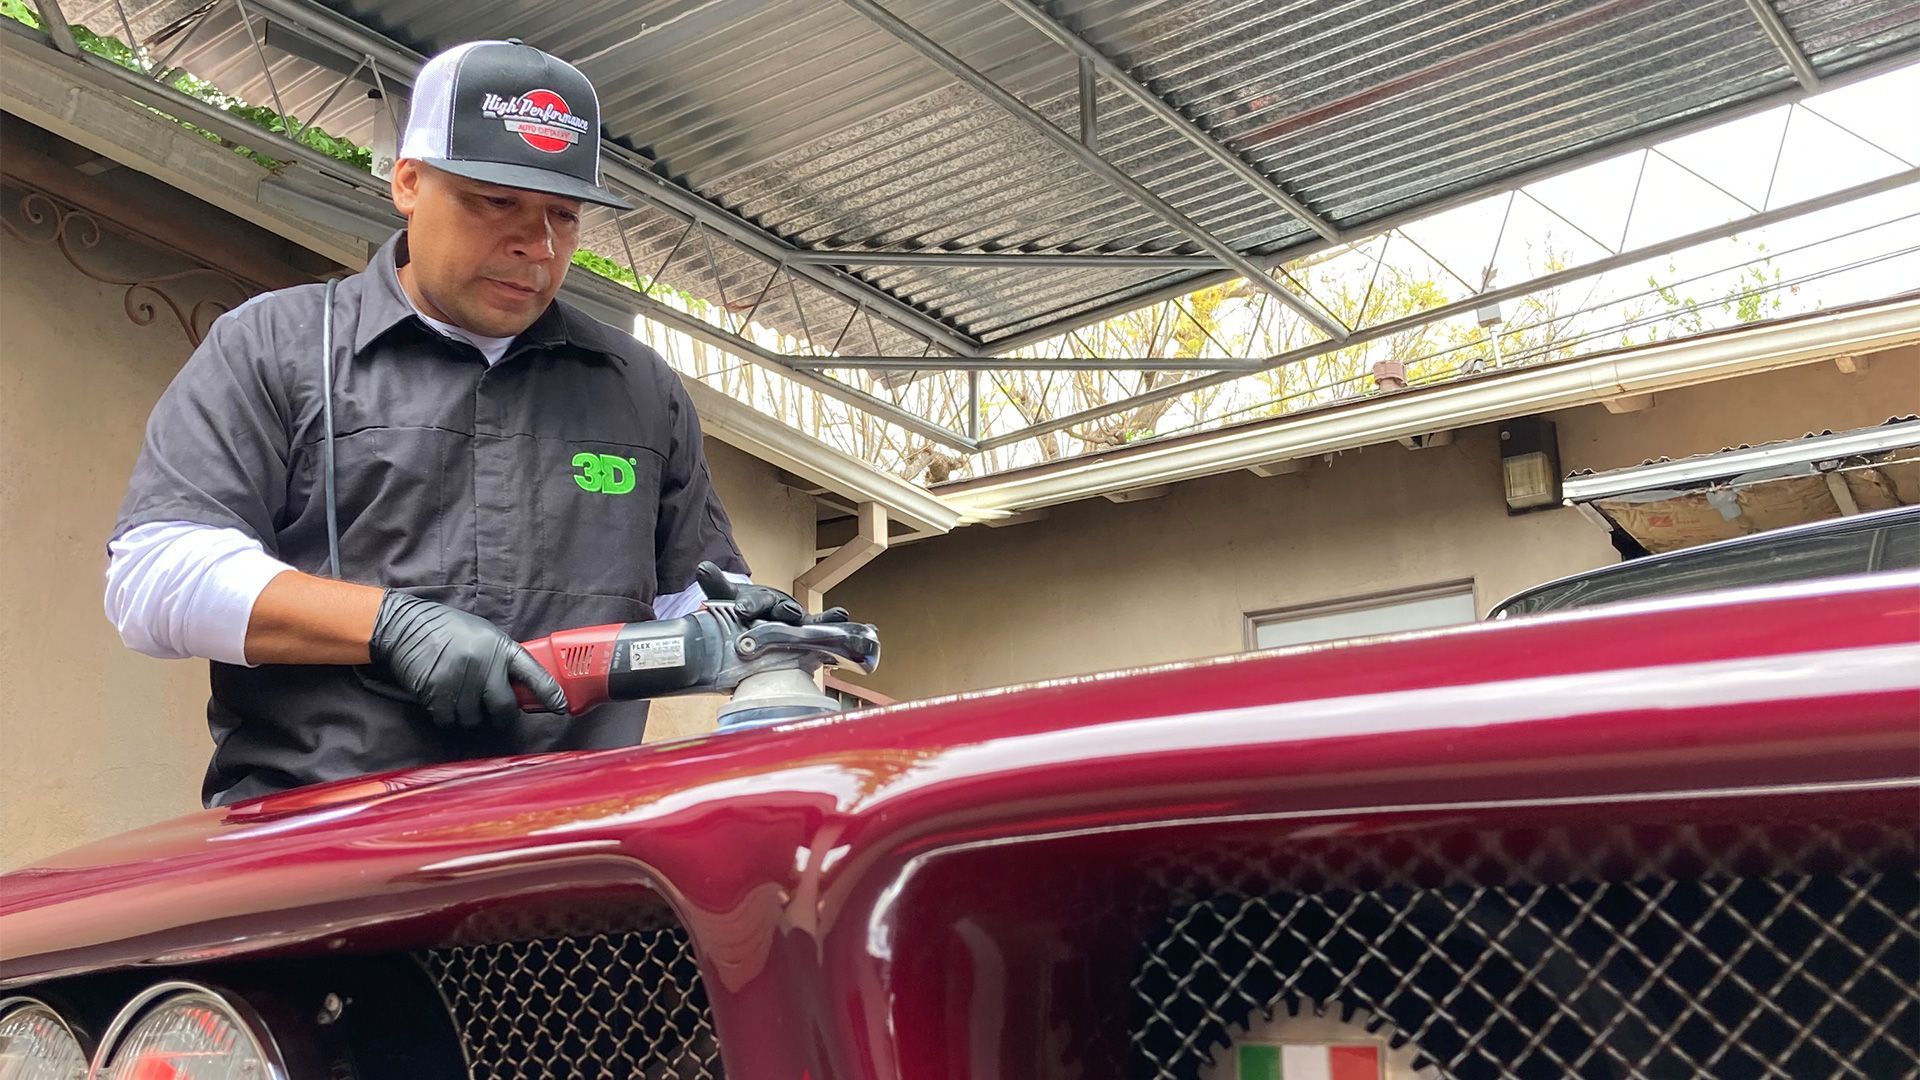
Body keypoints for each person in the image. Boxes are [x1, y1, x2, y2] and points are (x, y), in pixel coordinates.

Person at [105, 39, 812, 806]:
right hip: (318, 844)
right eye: (496, 202)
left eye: (563, 216)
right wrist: (389, 625)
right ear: (407, 182)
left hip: (569, 855)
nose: (535, 246)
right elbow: (155, 577)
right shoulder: (277, 347)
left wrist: (743, 619)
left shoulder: (636, 390)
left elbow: (692, 599)